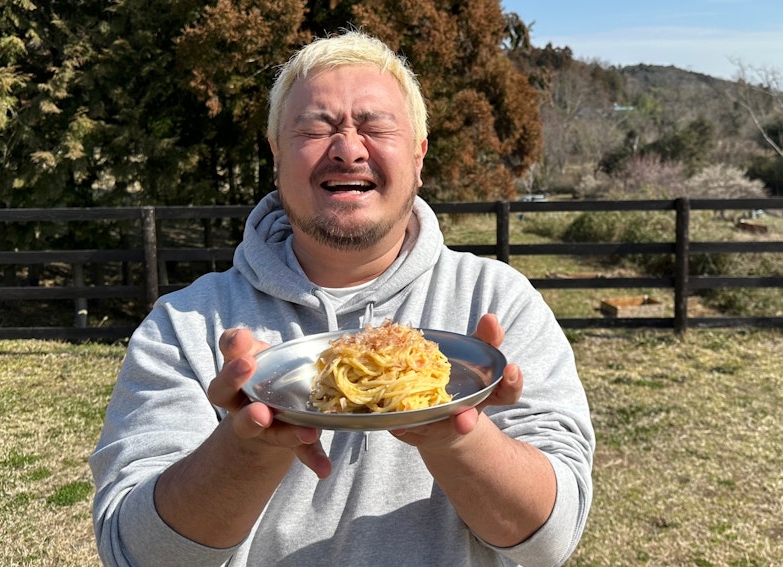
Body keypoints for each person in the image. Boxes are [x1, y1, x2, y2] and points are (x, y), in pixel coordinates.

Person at [90, 30, 594, 567]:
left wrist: (458, 438)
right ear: (277, 156)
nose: (349, 149)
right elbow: (136, 553)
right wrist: (249, 447)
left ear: (420, 157)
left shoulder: (497, 300)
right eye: (315, 128)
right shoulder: (186, 323)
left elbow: (550, 541)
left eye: (376, 126)